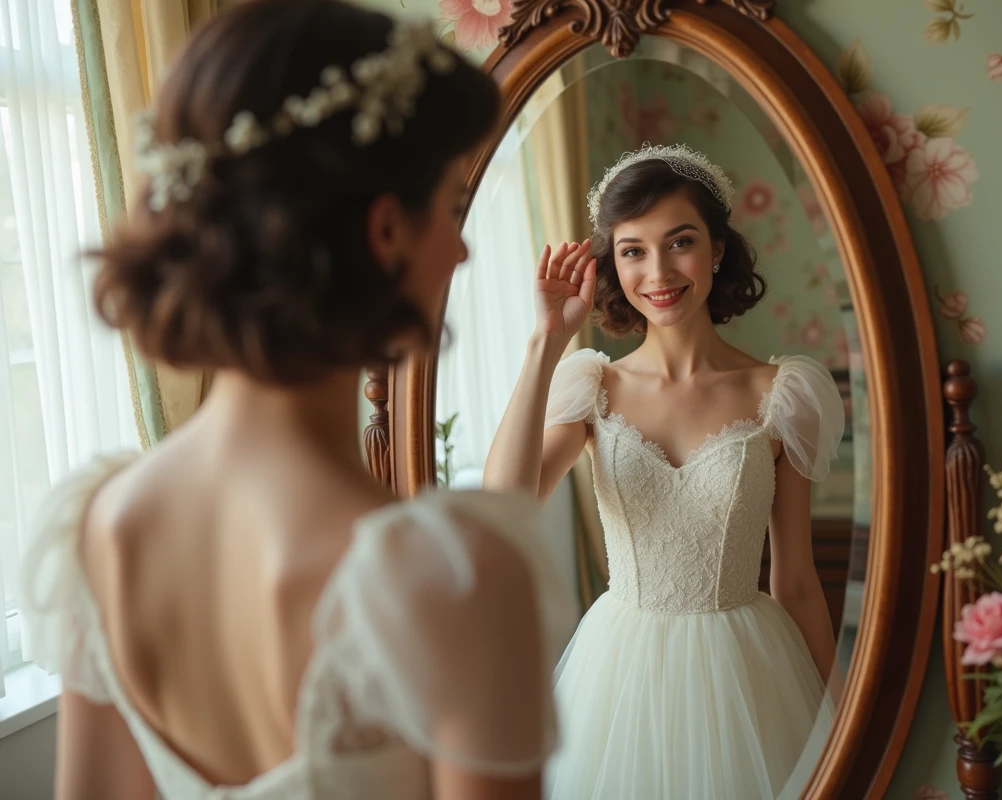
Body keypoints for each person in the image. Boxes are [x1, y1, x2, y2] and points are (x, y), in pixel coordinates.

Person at [19, 1, 570, 798]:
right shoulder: (452, 577)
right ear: (385, 232)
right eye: (451, 208)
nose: (463, 246)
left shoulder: (99, 529)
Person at [484, 143, 846, 799]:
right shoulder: (591, 386)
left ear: (717, 250)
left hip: (751, 675)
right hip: (617, 676)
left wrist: (842, 723)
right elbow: (501, 507)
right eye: (632, 250)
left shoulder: (781, 393)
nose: (658, 270)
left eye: (680, 242)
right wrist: (545, 342)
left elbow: (795, 581)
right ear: (613, 263)